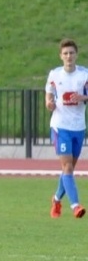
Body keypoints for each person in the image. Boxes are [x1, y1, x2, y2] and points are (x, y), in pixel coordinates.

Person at [46, 37, 88, 218]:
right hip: (60, 126)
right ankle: (76, 206)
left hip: (78, 127)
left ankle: (56, 200)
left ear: (76, 55)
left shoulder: (84, 75)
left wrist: (83, 98)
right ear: (60, 56)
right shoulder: (55, 75)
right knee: (68, 167)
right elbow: (49, 94)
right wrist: (49, 103)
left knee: (68, 170)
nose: (68, 56)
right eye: (65, 53)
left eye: (71, 53)